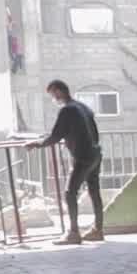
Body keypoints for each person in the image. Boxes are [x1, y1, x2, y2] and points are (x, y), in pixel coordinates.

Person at [28, 80, 104, 246]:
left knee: (70, 193)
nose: (53, 98)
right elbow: (93, 133)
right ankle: (98, 230)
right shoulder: (82, 107)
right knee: (94, 191)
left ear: (59, 91)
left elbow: (56, 136)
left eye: (53, 94)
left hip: (83, 156)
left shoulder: (67, 110)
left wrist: (37, 144)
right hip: (95, 153)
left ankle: (74, 233)